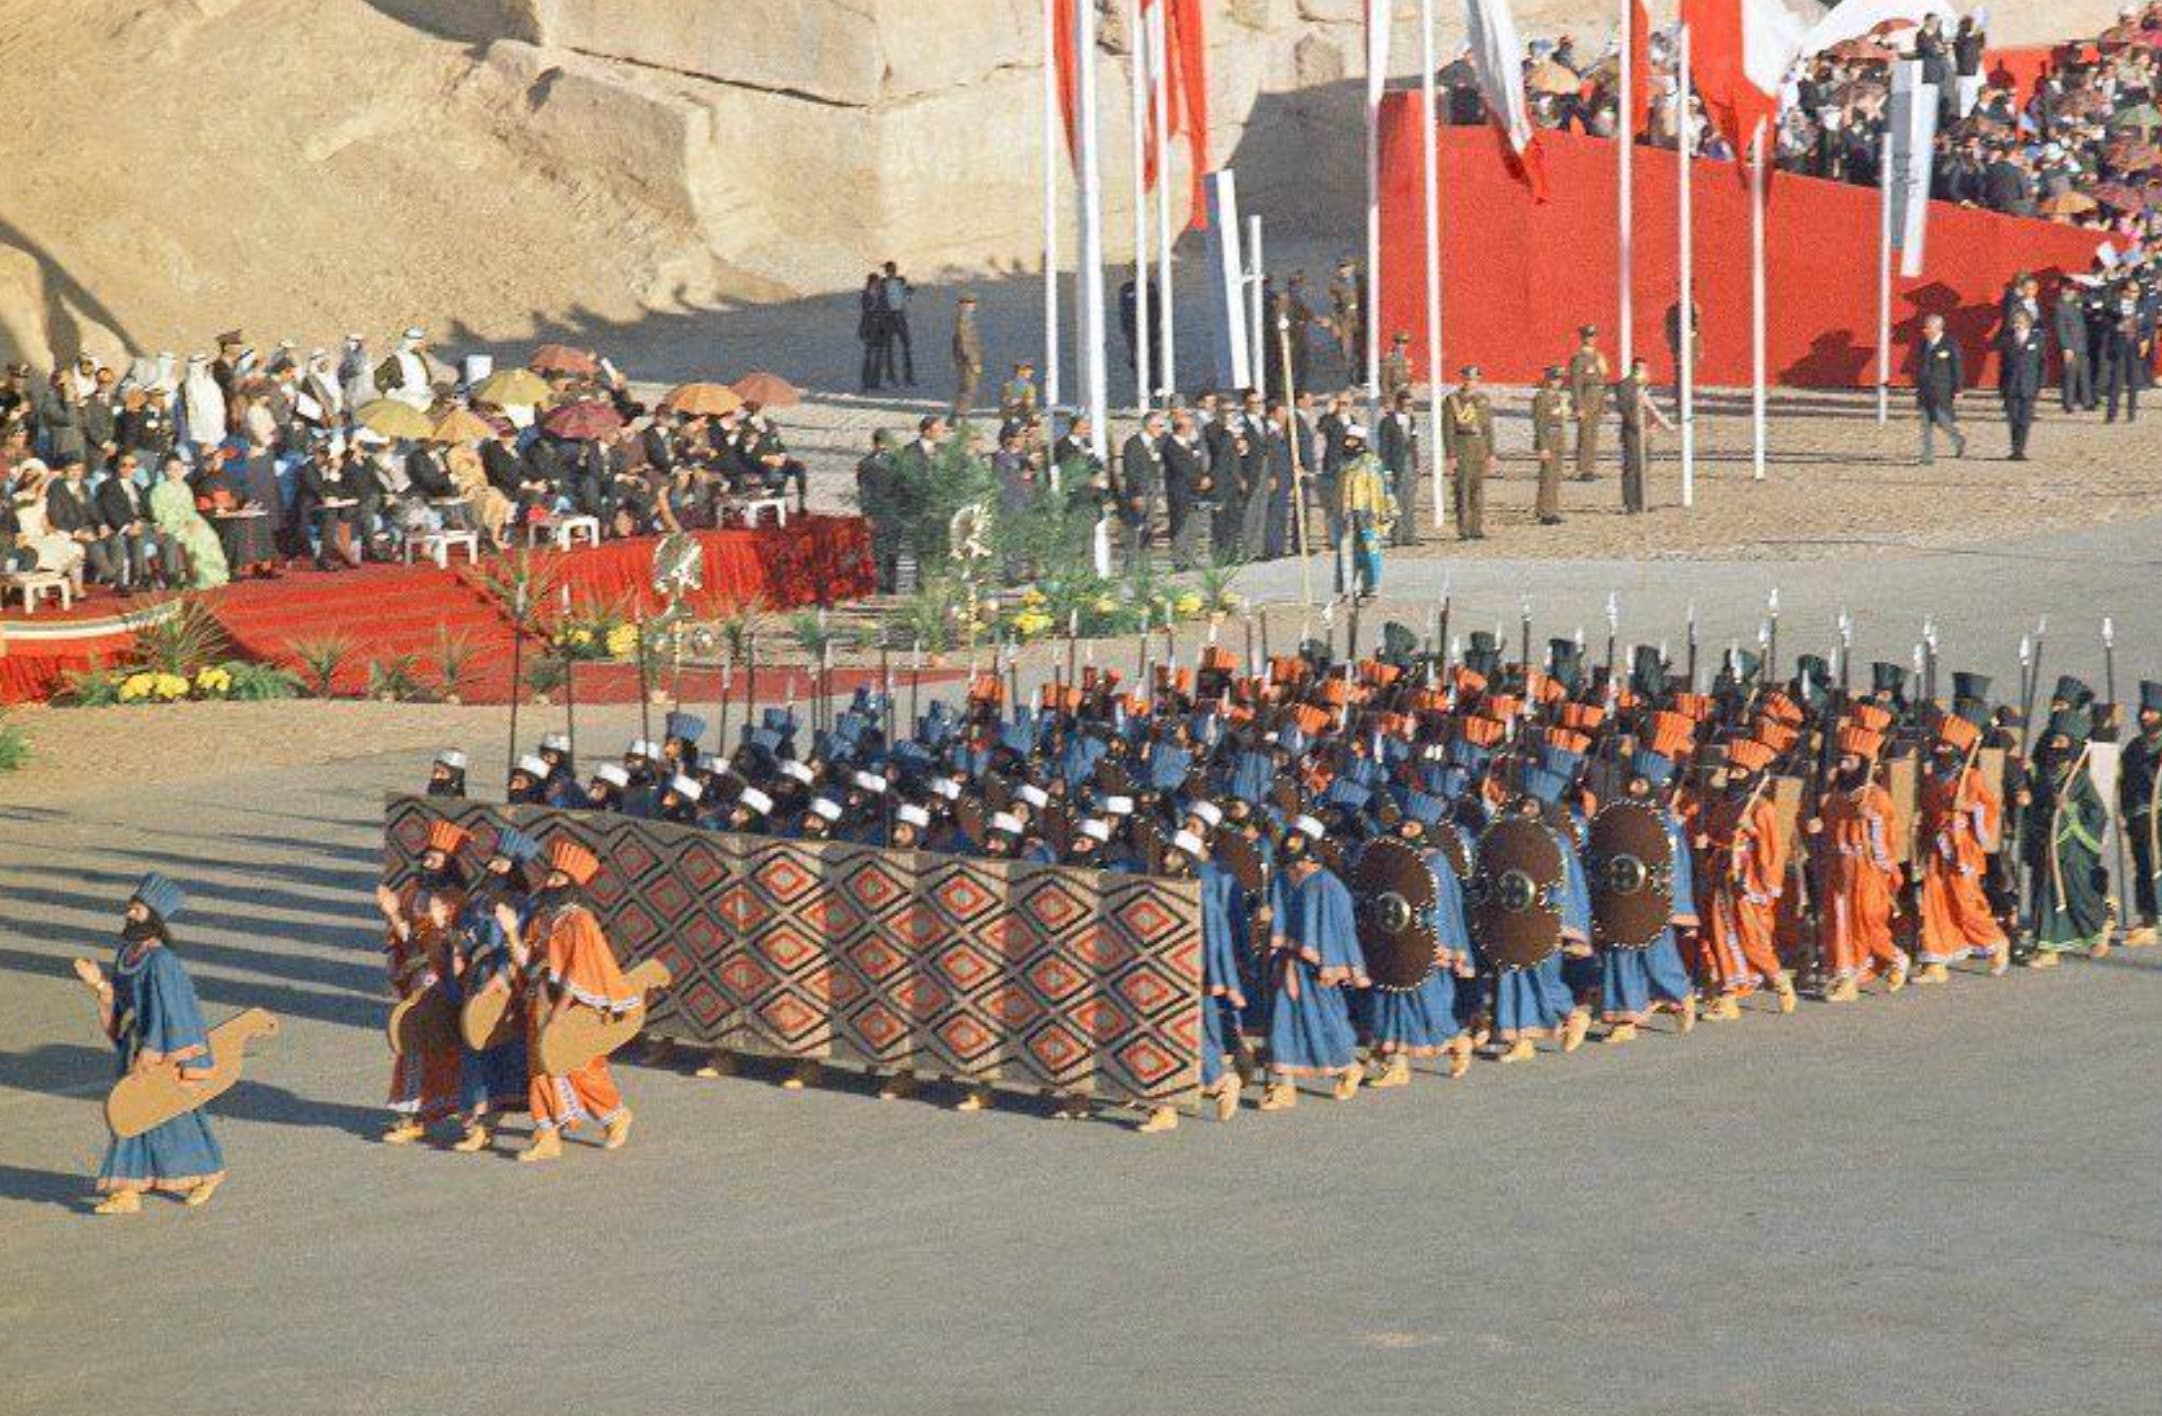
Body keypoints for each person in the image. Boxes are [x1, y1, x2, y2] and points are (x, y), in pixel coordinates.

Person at [71, 874, 228, 1214]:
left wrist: (153, 1051)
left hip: (159, 1052)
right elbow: (124, 1003)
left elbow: (170, 1010)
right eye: (131, 907)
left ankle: (207, 1173)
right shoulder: (128, 953)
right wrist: (98, 983)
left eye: (138, 909)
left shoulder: (162, 962)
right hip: (134, 1047)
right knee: (130, 1116)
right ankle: (127, 1191)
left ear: (153, 917)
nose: (130, 914)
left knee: (172, 1116)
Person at [509, 838, 639, 1160]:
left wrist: (560, 1013)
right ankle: (547, 1134)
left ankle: (616, 1115)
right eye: (550, 876)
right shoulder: (542, 918)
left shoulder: (580, 921)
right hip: (539, 1000)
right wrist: (510, 931)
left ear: (571, 885)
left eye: (557, 878)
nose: (549, 882)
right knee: (539, 1066)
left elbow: (580, 969)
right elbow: (528, 960)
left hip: (572, 1004)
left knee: (581, 1066)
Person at [1258, 815, 1368, 1110]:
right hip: (1287, 962)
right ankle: (1285, 1086)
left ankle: (1348, 1066)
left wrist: (1332, 962)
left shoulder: (1327, 884)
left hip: (1316, 966)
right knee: (1283, 1020)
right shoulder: (1282, 878)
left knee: (1324, 1020)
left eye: (1296, 839)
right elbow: (1277, 913)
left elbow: (1340, 925)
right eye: (1288, 838)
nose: (1290, 843)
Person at [375, 821, 469, 1142]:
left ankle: (468, 1114)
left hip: (442, 983)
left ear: (449, 863)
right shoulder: (415, 892)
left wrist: (442, 927)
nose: (428, 863)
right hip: (418, 979)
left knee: (444, 1047)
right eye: (426, 857)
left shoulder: (455, 898)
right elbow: (410, 941)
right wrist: (393, 914)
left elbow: (460, 945)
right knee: (412, 1045)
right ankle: (412, 1115)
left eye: (435, 859)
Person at [1599, 747, 1701, 1042]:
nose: (1633, 788)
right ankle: (1625, 1019)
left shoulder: (1665, 824)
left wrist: (1678, 906)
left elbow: (1677, 867)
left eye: (1640, 783)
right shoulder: (1618, 816)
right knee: (1620, 957)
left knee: (1658, 957)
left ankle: (1682, 996)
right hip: (1622, 900)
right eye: (1632, 782)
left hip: (1653, 902)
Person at [1694, 738, 1798, 1017]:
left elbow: (1774, 849)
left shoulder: (1761, 807)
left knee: (1750, 938)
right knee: (1720, 933)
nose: (1731, 775)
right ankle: (1729, 994)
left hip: (1748, 878)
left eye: (1738, 771)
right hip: (1722, 874)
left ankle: (1779, 979)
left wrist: (1753, 830)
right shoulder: (1724, 802)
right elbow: (1717, 835)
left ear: (1751, 774)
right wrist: (1707, 841)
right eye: (1730, 770)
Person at [1806, 722, 1909, 1001]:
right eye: (1841, 759)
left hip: (1866, 867)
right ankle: (1845, 978)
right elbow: (1831, 828)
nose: (1843, 765)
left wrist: (1872, 819)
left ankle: (1894, 958)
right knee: (1838, 921)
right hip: (1840, 867)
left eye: (1849, 760)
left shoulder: (1876, 796)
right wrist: (1819, 825)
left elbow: (1890, 834)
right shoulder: (1837, 795)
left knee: (1867, 920)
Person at [1916, 710, 2012, 981]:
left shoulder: (1972, 778)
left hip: (1962, 847)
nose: (1940, 749)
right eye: (1938, 745)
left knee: (1965, 900)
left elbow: (1990, 808)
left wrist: (1968, 807)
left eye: (1946, 746)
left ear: (1958, 750)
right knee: (1934, 901)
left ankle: (1995, 941)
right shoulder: (1933, 778)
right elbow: (1928, 811)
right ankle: (1936, 959)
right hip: (1938, 847)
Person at [2020, 708, 2114, 964]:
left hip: (2071, 848)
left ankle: (2098, 929)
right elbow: (2037, 805)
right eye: (2053, 740)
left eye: (2061, 741)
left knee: (2076, 894)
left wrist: (2070, 808)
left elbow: (2097, 812)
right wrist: (2027, 800)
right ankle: (2048, 947)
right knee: (2044, 893)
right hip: (2046, 845)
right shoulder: (2043, 775)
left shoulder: (2079, 778)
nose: (2054, 745)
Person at [95, 450, 180, 591]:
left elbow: (146, 511)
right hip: (122, 528)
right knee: (138, 539)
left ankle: (170, 578)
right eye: (124, 465)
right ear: (116, 466)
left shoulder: (137, 487)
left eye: (132, 466)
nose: (128, 469)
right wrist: (126, 527)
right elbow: (109, 511)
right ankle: (140, 579)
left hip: (142, 525)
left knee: (168, 538)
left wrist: (156, 524)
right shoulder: (108, 486)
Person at [2118, 682, 2162, 951]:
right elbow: (2125, 782)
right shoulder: (2134, 747)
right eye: (2144, 711)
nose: (2146, 716)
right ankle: (2148, 919)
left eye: (2152, 712)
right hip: (2137, 817)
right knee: (2143, 867)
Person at [148, 455, 230, 588]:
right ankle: (201, 578)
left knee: (208, 536)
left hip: (189, 521)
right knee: (194, 540)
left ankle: (216, 575)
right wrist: (182, 523)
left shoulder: (185, 487)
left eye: (177, 469)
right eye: (171, 469)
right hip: (170, 525)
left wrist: (192, 521)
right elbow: (159, 514)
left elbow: (190, 510)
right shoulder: (158, 490)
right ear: (165, 471)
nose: (174, 473)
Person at [1336, 424, 1396, 599]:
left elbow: (1382, 487)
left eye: (1352, 440)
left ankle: (1371, 586)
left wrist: (1387, 508)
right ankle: (1348, 587)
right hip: (1347, 513)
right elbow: (1331, 482)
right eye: (1347, 439)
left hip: (1367, 512)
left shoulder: (1371, 461)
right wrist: (1308, 475)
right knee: (1347, 551)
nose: (1348, 443)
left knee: (1370, 549)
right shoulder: (1343, 462)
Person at [1613, 357, 1671, 515]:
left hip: (1645, 433)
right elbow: (1625, 409)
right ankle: (1630, 503)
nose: (1646, 373)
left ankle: (1642, 501)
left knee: (1643, 468)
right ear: (1637, 369)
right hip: (1632, 433)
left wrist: (1651, 425)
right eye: (1644, 369)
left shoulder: (1643, 386)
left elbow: (1648, 408)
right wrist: (1638, 426)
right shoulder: (1625, 385)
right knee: (1632, 467)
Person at [1440, 365, 1492, 541]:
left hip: (1479, 446)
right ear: (1462, 379)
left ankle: (1477, 527)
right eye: (1468, 379)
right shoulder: (1453, 400)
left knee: (1478, 490)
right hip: (1462, 445)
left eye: (1475, 379)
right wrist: (1451, 454)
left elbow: (1488, 428)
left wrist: (1490, 452)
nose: (1472, 382)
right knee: (1462, 489)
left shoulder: (1483, 399)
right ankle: (1464, 529)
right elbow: (1448, 429)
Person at [1913, 312, 1968, 463]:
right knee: (1925, 424)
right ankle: (1928, 455)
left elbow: (1957, 367)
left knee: (1942, 420)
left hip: (1942, 389)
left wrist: (1958, 389)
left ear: (1937, 328)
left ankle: (1958, 440)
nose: (1925, 330)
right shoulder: (1923, 343)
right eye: (1925, 327)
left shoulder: (1949, 344)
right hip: (1924, 389)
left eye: (1928, 328)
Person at [856, 428, 903, 591]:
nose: (883, 446)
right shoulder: (865, 464)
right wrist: (866, 513)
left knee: (893, 551)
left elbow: (904, 487)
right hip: (876, 511)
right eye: (880, 443)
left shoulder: (897, 462)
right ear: (875, 443)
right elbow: (863, 490)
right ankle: (881, 584)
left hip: (894, 511)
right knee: (878, 550)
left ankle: (892, 585)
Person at [1116, 410, 1165, 568]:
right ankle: (1130, 565)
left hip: (1152, 490)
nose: (1161, 429)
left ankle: (1145, 565)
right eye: (1158, 426)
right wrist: (1136, 494)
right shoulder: (1133, 444)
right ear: (1149, 426)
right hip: (1138, 492)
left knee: (1149, 528)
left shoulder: (1156, 443)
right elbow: (1130, 470)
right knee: (1135, 529)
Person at [1999, 310, 2046, 461]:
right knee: (2013, 419)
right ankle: (2015, 448)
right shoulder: (2007, 339)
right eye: (2015, 321)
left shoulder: (2037, 339)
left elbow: (2042, 363)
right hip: (2011, 384)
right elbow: (2003, 364)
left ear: (2028, 322)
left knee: (2025, 419)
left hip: (2029, 384)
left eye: (2020, 321)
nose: (2017, 324)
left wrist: (2042, 385)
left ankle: (2020, 449)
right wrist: (2001, 387)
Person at [1566, 324, 1610, 481]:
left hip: (1597, 397)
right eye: (1588, 336)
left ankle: (1590, 466)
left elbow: (1603, 378)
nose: (1591, 339)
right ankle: (1583, 468)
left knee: (1594, 434)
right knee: (1585, 434)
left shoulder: (1598, 356)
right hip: (1586, 397)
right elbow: (1576, 384)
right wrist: (1578, 405)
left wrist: (1604, 403)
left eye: (1593, 336)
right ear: (1583, 338)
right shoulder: (1579, 359)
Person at [1529, 365, 1571, 525]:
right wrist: (1543, 446)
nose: (1558, 382)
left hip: (1558, 438)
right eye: (1555, 379)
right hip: (1548, 438)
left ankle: (1551, 508)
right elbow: (1540, 423)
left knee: (1555, 477)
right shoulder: (1542, 397)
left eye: (1560, 379)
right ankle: (1546, 511)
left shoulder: (1558, 397)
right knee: (1548, 477)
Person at [2056, 284, 2094, 412]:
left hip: (2082, 344)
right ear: (2064, 290)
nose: (2074, 293)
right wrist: (2066, 347)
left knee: (2084, 374)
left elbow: (2088, 300)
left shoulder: (2077, 304)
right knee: (2070, 375)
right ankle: (2068, 403)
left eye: (2074, 291)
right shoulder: (2060, 306)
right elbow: (2061, 329)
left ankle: (2087, 401)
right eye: (2071, 290)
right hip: (2070, 345)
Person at [879, 261, 915, 387]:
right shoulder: (882, 283)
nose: (890, 272)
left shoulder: (901, 281)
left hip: (900, 314)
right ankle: (891, 377)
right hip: (889, 316)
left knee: (906, 346)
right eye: (889, 270)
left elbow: (908, 295)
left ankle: (908, 377)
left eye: (892, 270)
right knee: (889, 348)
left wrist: (910, 292)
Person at [951, 293, 983, 416]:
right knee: (969, 388)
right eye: (969, 303)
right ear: (962, 305)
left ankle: (954, 417)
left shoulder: (965, 318)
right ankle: (961, 415)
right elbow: (965, 343)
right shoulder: (963, 320)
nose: (972, 306)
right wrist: (973, 362)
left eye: (973, 303)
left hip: (963, 359)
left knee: (965, 388)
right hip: (966, 360)